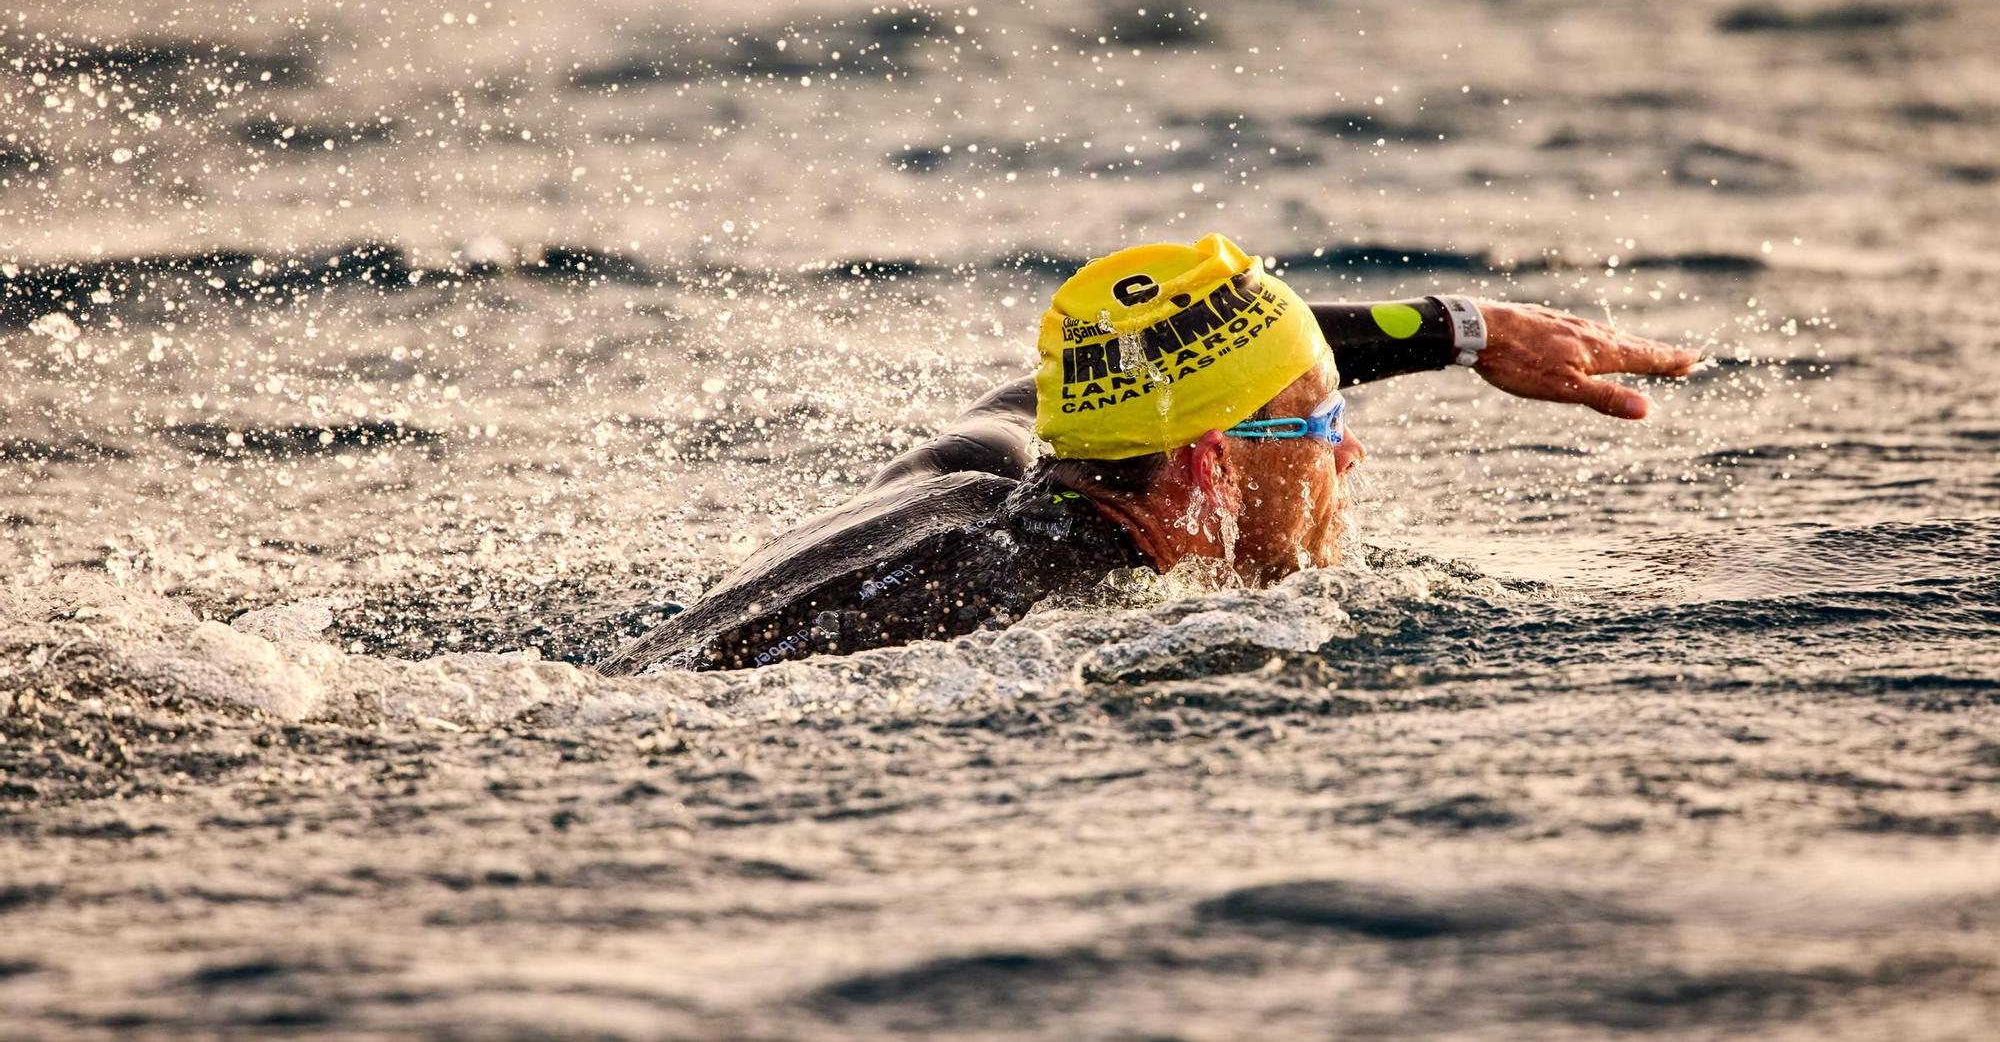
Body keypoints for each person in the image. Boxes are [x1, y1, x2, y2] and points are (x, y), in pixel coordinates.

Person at [599, 234, 1699, 674]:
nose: (1348, 454)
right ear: (1206, 466)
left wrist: (1461, 328)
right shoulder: (1018, 606)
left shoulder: (992, 452)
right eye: (1320, 426)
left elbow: (1146, 355)